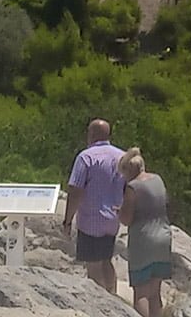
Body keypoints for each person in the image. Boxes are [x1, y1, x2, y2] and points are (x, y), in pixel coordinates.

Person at [62, 118, 127, 293]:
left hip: (91, 219)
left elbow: (75, 190)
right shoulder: (122, 156)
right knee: (106, 259)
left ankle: (99, 303)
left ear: (91, 135)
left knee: (93, 265)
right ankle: (112, 294)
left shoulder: (86, 157)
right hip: (113, 218)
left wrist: (67, 220)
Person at [118, 147, 172, 317]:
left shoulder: (132, 188)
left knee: (140, 293)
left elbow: (126, 218)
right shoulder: (158, 179)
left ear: (129, 170)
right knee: (155, 292)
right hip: (163, 237)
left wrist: (118, 211)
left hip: (143, 241)